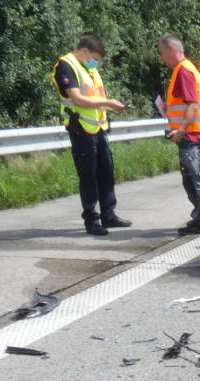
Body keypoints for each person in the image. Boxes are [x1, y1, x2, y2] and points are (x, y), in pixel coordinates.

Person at [50, 34, 131, 236]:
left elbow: (96, 97)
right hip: (81, 128)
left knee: (106, 172)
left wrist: (112, 107)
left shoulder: (88, 68)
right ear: (85, 51)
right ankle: (92, 219)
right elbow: (77, 99)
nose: (96, 62)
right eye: (95, 57)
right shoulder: (66, 66)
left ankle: (108, 215)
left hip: (98, 128)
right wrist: (108, 103)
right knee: (88, 176)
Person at [157, 34, 200, 235]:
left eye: (162, 53)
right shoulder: (188, 69)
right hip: (197, 132)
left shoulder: (183, 71)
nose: (162, 58)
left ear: (171, 49)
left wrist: (180, 131)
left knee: (192, 178)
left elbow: (192, 105)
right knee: (199, 177)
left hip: (190, 135)